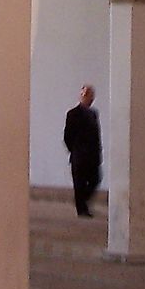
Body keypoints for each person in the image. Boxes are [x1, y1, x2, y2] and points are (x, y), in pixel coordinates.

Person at [63, 84, 102, 218]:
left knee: (95, 179)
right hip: (79, 155)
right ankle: (82, 209)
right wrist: (74, 151)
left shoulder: (93, 114)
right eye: (88, 96)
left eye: (92, 96)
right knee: (79, 183)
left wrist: (98, 153)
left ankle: (82, 202)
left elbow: (96, 136)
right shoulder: (73, 114)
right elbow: (68, 136)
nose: (91, 99)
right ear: (82, 96)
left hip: (92, 156)